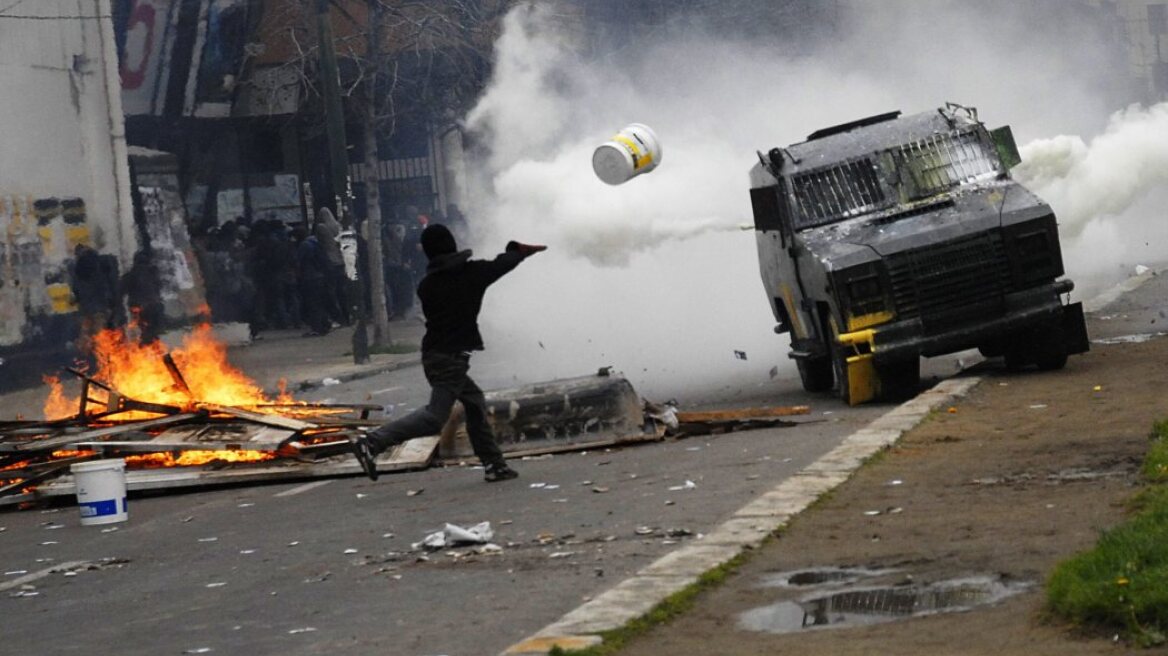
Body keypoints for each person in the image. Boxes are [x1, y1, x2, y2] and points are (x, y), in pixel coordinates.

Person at [350, 224, 546, 483]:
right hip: (450, 359)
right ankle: (372, 442)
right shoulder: (472, 274)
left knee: (474, 402)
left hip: (434, 355)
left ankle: (494, 465)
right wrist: (517, 252)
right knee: (434, 418)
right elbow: (501, 264)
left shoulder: (427, 286)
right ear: (452, 244)